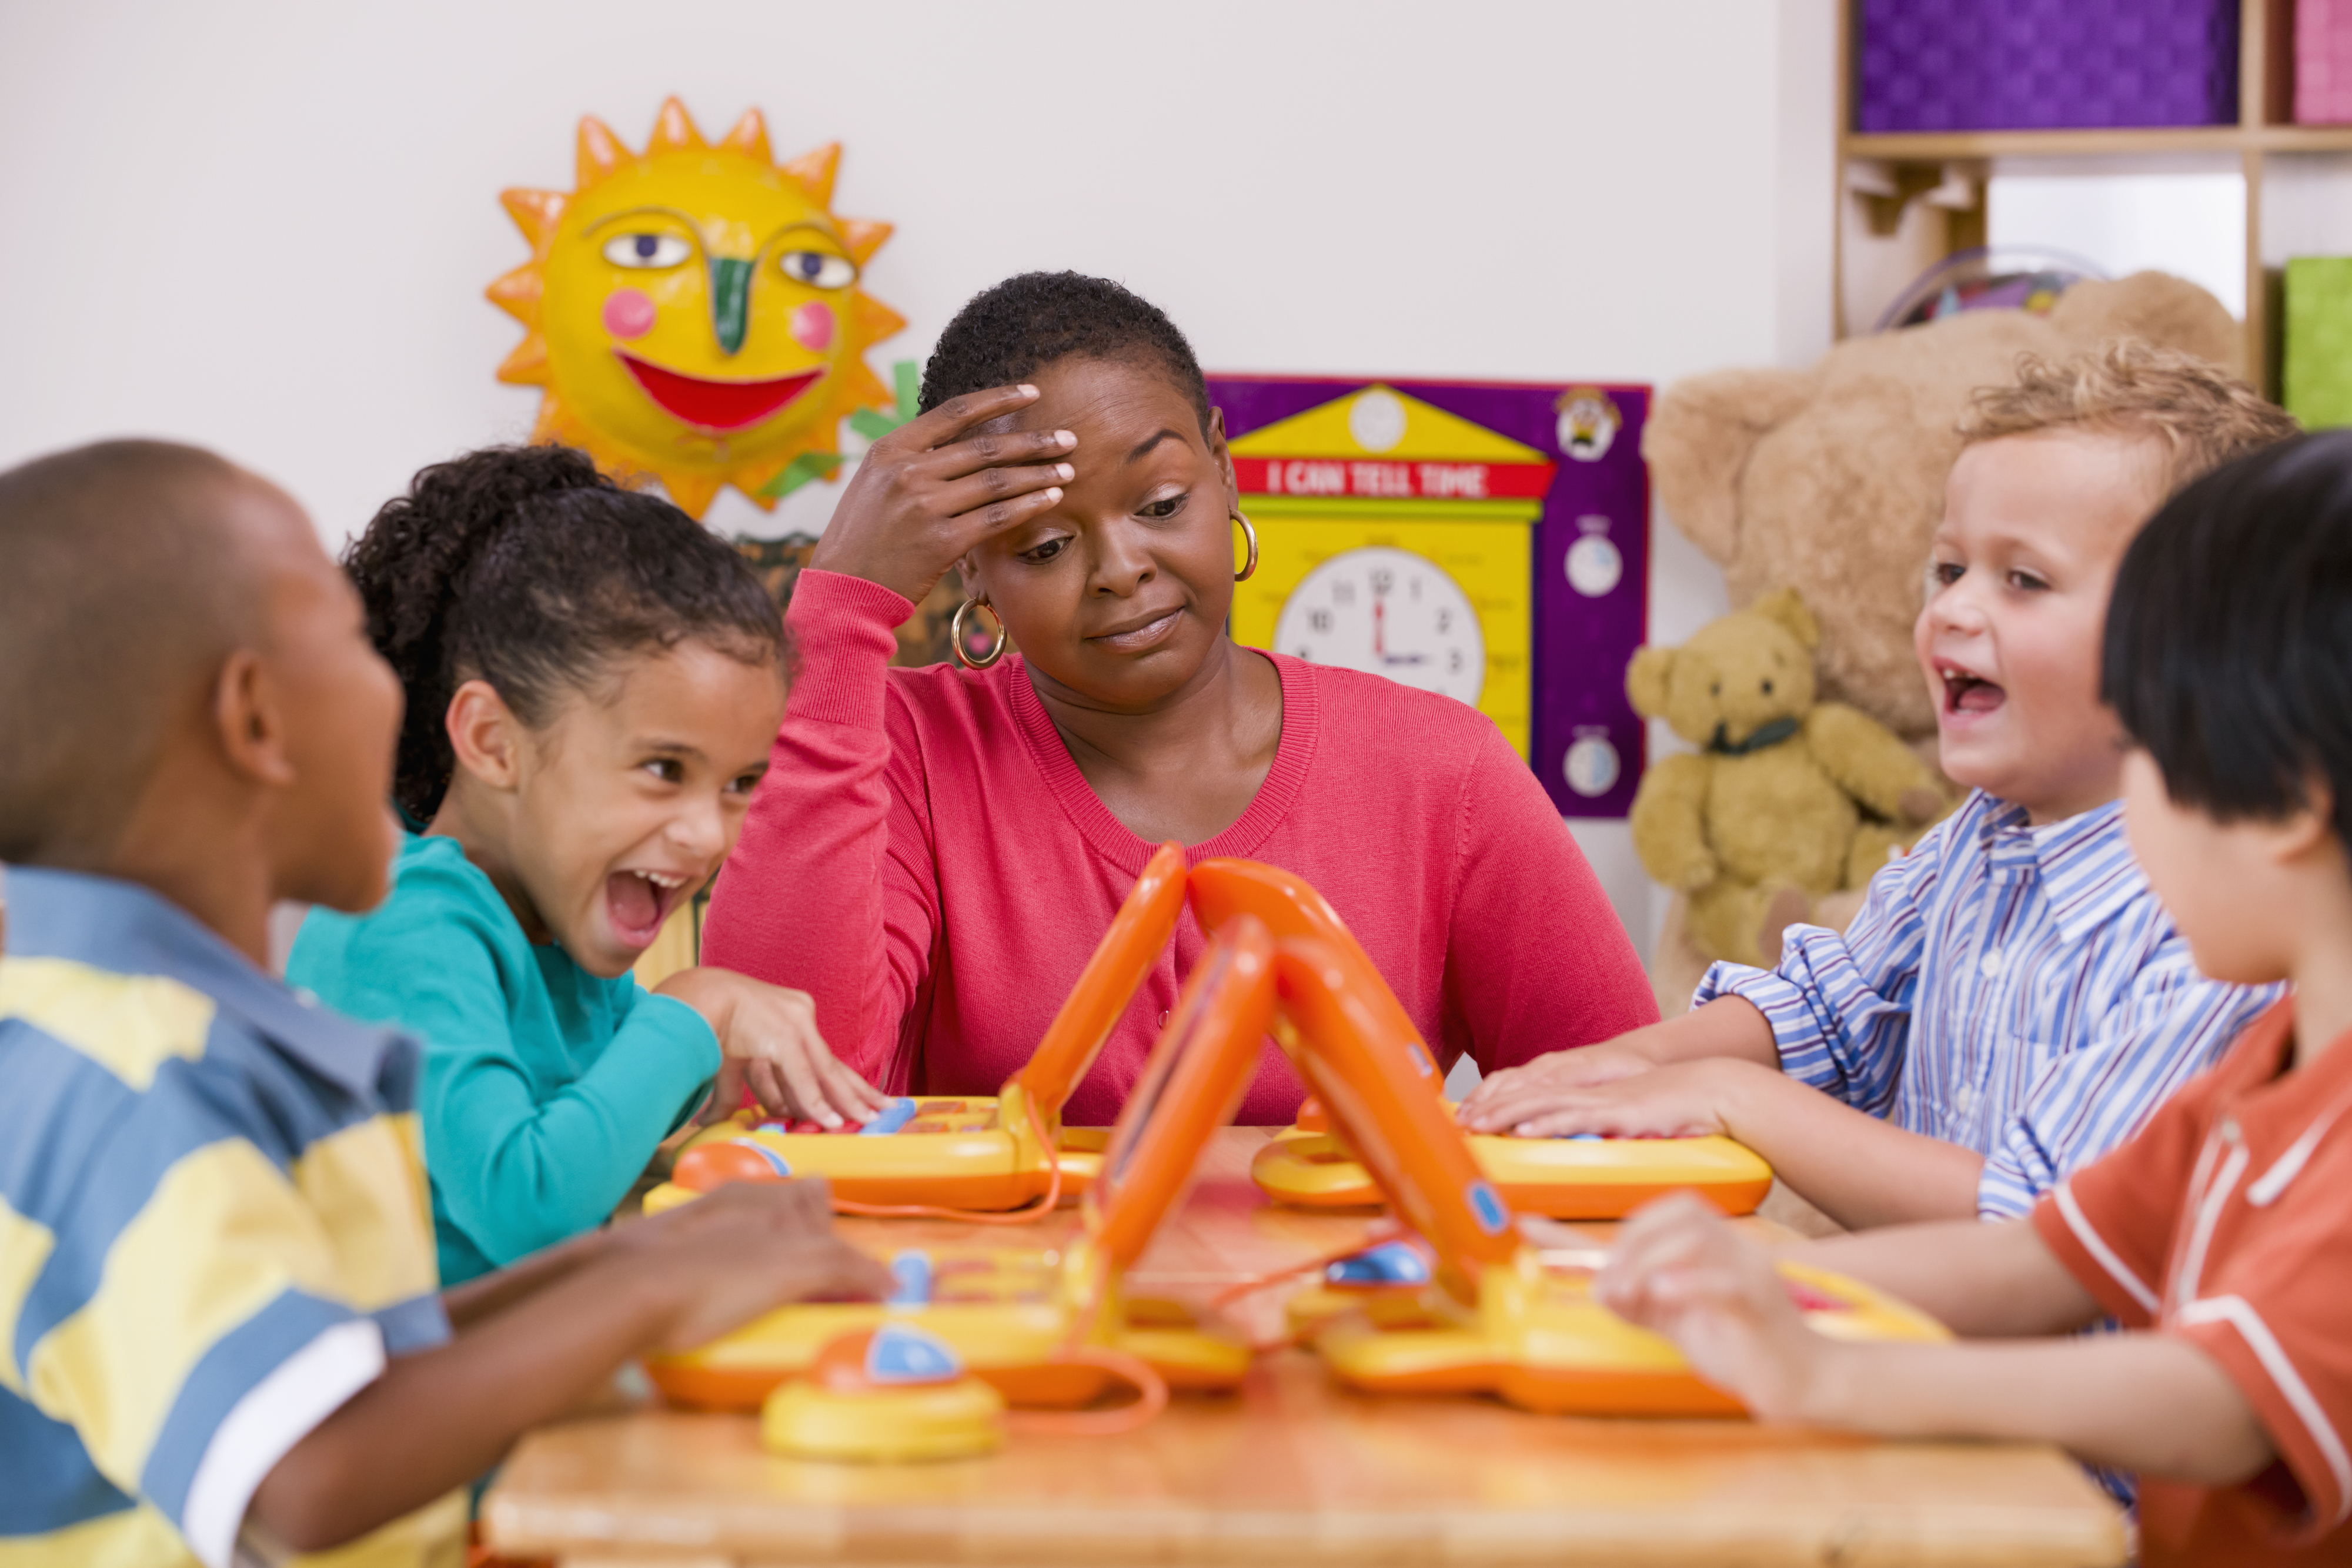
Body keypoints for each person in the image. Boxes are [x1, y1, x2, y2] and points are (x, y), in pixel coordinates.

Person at [0, 440, 890, 1567]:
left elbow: (356, 1356)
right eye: (343, 640)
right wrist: (651, 1285)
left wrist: (646, 1268)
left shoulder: (164, 1034)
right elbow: (301, 1480)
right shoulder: (121, 1077)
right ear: (257, 721)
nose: (395, 684)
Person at [1598, 430, 2352, 1566]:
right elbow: (2038, 1262)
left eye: (2153, 743)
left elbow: (2217, 1394)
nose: (2129, 812)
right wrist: (1757, 1276)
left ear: (2286, 802)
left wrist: (1839, 1373)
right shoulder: (2274, 1068)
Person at [701, 272, 1657, 1124]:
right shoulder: (901, 748)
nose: (1120, 569)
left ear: (1222, 467)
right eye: (1042, 548)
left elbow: (1629, 1115)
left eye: (1160, 505)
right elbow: (788, 1092)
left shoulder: (1441, 771)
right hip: (995, 1321)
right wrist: (836, 611)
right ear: (975, 574)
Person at [1462, 343, 2298, 1228]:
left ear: (2193, 646)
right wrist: (1619, 1067)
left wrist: (1728, 1099)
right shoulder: (1974, 836)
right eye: (1949, 568)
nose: (1954, 609)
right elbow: (1829, 1007)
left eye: (2024, 579)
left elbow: (2040, 1229)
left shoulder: (2214, 932)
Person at [286, 446, 889, 1286]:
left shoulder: (558, 920)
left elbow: (593, 1126)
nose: (708, 836)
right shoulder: (405, 920)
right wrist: (693, 1011)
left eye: (740, 784)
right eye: (662, 770)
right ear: (495, 743)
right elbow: (528, 1208)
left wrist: (712, 1075)